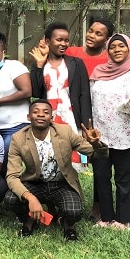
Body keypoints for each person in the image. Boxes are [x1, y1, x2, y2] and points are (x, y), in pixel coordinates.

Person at [5, 100, 108, 241]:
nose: (41, 115)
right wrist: (30, 198)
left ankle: (67, 223)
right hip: (34, 183)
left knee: (74, 212)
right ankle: (30, 220)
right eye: (36, 112)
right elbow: (12, 176)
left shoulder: (64, 132)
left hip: (61, 183)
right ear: (29, 117)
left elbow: (99, 155)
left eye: (46, 112)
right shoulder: (18, 138)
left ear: (52, 118)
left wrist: (96, 144)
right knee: (11, 199)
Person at [89, 34, 130, 230]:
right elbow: (90, 101)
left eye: (121, 46)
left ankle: (123, 220)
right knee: (102, 177)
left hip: (125, 135)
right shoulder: (98, 72)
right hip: (100, 135)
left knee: (123, 178)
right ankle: (106, 217)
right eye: (112, 46)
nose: (117, 49)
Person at [65, 18, 114, 222]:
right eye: (90, 31)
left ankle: (97, 205)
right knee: (66, 159)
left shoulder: (110, 59)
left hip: (102, 117)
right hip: (73, 116)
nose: (91, 36)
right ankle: (67, 200)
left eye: (98, 34)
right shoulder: (71, 53)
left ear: (107, 39)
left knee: (99, 163)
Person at [30, 22, 91, 168]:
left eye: (66, 40)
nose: (63, 44)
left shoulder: (76, 63)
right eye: (59, 40)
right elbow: (36, 92)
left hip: (70, 117)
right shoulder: (40, 64)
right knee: (49, 158)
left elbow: (84, 95)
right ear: (47, 41)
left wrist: (86, 126)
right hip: (48, 117)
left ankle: (71, 190)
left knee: (71, 161)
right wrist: (39, 66)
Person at [0, 31, 32, 174]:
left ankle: (9, 187)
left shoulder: (14, 67)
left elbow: (27, 91)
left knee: (5, 153)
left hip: (17, 125)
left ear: (3, 52)